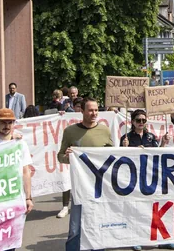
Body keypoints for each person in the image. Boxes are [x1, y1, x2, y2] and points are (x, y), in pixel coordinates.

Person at [58, 97, 113, 251]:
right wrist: (67, 157)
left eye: (96, 110)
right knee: (76, 227)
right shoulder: (70, 131)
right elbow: (60, 156)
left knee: (98, 222)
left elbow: (112, 156)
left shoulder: (104, 130)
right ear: (81, 111)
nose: (94, 113)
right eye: (90, 110)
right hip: (80, 186)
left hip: (100, 187)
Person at [120, 109, 174, 251]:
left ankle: (162, 239)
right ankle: (135, 239)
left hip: (151, 178)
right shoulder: (126, 138)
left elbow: (158, 154)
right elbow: (120, 159)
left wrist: (163, 143)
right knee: (136, 209)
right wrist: (126, 148)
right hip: (134, 180)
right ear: (132, 122)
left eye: (144, 120)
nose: (141, 123)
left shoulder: (150, 136)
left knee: (156, 208)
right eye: (138, 120)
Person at [0, 108, 34, 251]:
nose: (7, 126)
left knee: (9, 242)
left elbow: (26, 171)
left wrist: (28, 197)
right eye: (3, 122)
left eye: (10, 122)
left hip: (13, 201)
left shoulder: (20, 144)